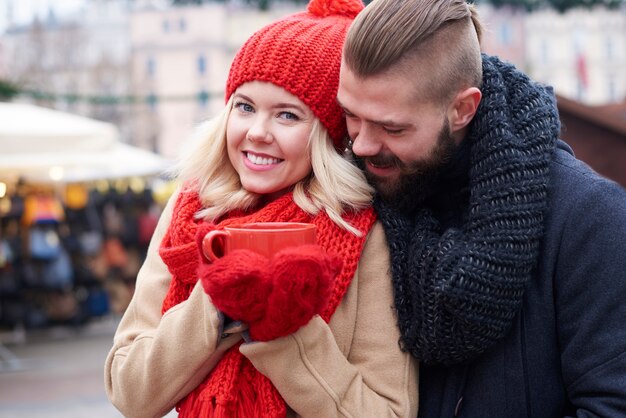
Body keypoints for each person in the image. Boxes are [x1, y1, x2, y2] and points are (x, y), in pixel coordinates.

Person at [104, 0, 419, 417]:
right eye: (245, 106)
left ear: (328, 134)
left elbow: (389, 412)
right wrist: (214, 305)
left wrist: (288, 331)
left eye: (287, 115)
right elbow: (129, 392)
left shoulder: (364, 233)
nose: (257, 132)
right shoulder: (190, 211)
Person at [337, 0, 626, 416]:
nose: (360, 145)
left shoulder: (590, 220)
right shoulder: (347, 197)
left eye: (391, 127)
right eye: (350, 115)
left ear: (462, 109)